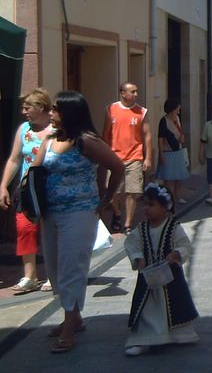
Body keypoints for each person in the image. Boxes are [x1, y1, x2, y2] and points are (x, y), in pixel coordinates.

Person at [32, 90, 125, 353]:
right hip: (50, 213)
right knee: (53, 269)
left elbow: (116, 166)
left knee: (72, 267)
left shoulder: (86, 141)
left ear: (69, 113)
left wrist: (106, 198)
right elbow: (37, 170)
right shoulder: (50, 139)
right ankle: (75, 317)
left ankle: (69, 326)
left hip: (79, 213)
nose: (50, 113)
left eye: (55, 109)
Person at [123, 183, 198, 356]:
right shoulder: (141, 229)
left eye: (151, 205)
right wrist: (138, 257)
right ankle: (145, 339)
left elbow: (185, 245)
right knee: (147, 309)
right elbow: (131, 244)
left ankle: (177, 335)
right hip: (148, 278)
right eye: (145, 204)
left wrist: (176, 254)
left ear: (165, 207)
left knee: (174, 306)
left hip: (170, 278)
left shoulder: (173, 228)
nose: (146, 209)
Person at [0, 88, 53, 293]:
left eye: (27, 107)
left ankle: (52, 274)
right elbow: (14, 160)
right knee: (24, 229)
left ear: (41, 108)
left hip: (50, 188)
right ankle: (29, 275)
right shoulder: (24, 130)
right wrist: (4, 185)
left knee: (50, 232)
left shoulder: (55, 130)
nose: (24, 111)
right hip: (26, 190)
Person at [103, 82, 153, 234]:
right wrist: (104, 156)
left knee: (132, 191)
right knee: (112, 192)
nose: (136, 94)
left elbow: (147, 135)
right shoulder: (111, 109)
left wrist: (148, 157)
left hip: (134, 156)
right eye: (133, 91)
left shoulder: (141, 112)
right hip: (114, 157)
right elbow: (105, 133)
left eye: (137, 91)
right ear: (123, 93)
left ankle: (127, 224)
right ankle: (117, 214)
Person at [156, 98, 189, 205]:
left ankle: (177, 196)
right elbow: (160, 139)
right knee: (169, 178)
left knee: (180, 177)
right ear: (172, 108)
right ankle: (168, 198)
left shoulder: (177, 119)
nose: (179, 109)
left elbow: (178, 132)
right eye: (177, 107)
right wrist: (161, 154)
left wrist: (181, 138)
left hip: (178, 151)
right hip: (168, 152)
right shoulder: (163, 121)